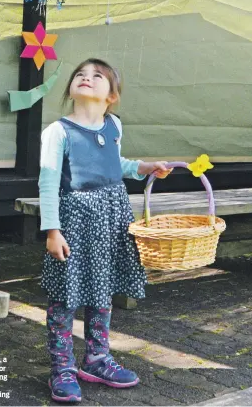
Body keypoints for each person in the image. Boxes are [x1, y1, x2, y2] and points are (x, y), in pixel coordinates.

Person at [39, 58, 172, 403]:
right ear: (71, 88)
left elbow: (118, 163)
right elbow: (48, 185)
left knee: (103, 291)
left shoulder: (113, 125)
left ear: (111, 96)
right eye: (80, 75)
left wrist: (144, 167)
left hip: (112, 219)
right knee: (65, 298)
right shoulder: (58, 132)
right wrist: (52, 231)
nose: (86, 78)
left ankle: (97, 359)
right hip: (74, 222)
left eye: (97, 76)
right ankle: (62, 368)